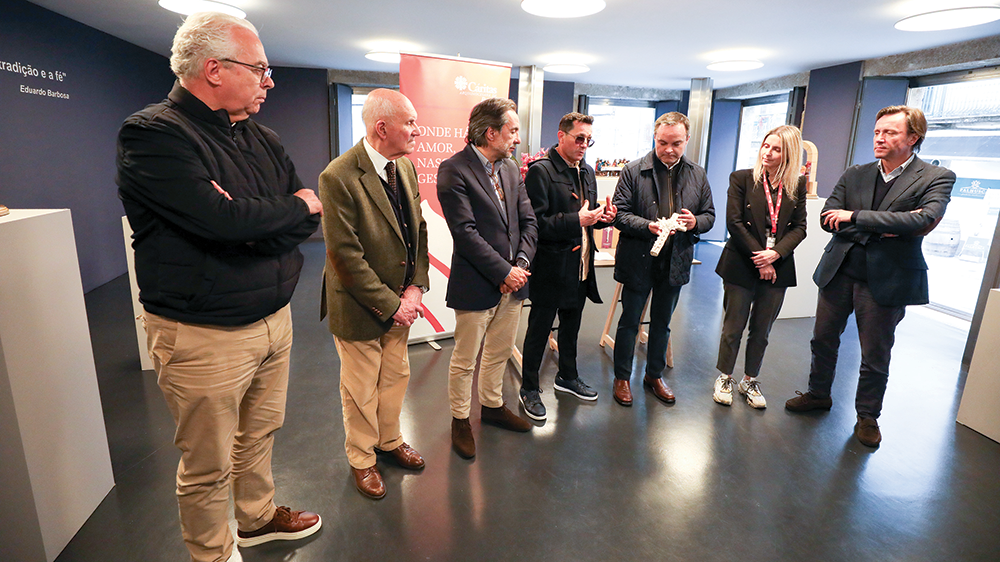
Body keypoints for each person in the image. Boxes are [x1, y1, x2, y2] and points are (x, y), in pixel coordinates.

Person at [116, 12, 322, 562]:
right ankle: (211, 553)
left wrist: (266, 216)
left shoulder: (262, 137)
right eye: (259, 69)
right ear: (214, 69)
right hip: (203, 331)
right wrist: (272, 214)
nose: (269, 82)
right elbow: (222, 223)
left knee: (260, 434)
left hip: (273, 317)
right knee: (207, 465)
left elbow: (303, 215)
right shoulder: (153, 134)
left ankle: (256, 519)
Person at [785, 106, 955, 447]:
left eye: (890, 132)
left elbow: (922, 221)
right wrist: (887, 226)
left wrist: (854, 217)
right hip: (839, 271)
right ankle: (818, 394)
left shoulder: (936, 176)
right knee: (822, 340)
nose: (880, 138)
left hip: (888, 279)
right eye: (877, 132)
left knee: (875, 354)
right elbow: (827, 218)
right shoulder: (856, 173)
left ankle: (867, 416)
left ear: (913, 138)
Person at [318, 89, 429, 500]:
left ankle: (389, 439)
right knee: (360, 389)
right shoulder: (338, 176)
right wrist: (392, 304)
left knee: (395, 378)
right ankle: (362, 458)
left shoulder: (405, 168)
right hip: (360, 306)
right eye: (410, 123)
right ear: (382, 128)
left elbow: (419, 230)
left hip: (402, 302)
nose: (417, 130)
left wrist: (416, 287)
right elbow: (345, 256)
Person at [437, 97, 538, 458]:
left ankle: (493, 407)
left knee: (498, 352)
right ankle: (460, 420)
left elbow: (528, 221)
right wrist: (504, 271)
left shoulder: (510, 168)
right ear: (491, 132)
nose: (518, 139)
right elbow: (465, 233)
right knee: (465, 360)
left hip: (515, 281)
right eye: (513, 131)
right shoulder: (454, 170)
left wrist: (519, 265)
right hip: (477, 282)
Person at [611, 112, 715, 407]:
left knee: (662, 323)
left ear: (687, 140)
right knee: (630, 321)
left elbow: (709, 215)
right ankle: (621, 377)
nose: (669, 149)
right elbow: (619, 214)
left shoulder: (698, 174)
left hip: (675, 260)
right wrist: (648, 226)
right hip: (638, 258)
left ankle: (654, 375)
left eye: (676, 143)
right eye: (663, 143)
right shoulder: (633, 171)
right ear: (654, 138)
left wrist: (695, 222)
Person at [518, 112, 617, 421]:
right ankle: (529, 388)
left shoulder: (587, 171)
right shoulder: (540, 172)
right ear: (561, 136)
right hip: (551, 266)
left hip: (580, 264)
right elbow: (535, 224)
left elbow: (588, 217)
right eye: (579, 138)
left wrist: (603, 218)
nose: (584, 145)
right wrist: (577, 219)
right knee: (539, 329)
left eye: (589, 140)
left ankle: (567, 377)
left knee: (572, 326)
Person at [713, 125, 808, 409]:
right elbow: (734, 222)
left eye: (776, 149)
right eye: (766, 145)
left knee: (762, 330)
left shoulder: (797, 185)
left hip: (778, 265)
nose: (768, 152)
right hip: (742, 262)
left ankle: (750, 379)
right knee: (733, 327)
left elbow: (800, 227)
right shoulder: (742, 178)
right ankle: (725, 377)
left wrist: (775, 254)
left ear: (789, 154)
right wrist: (761, 258)